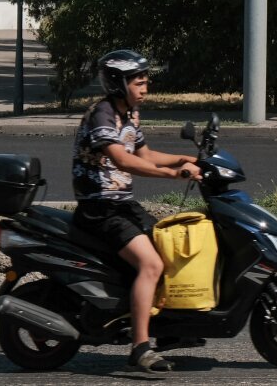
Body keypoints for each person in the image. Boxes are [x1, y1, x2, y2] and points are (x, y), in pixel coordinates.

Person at [71, 49, 202, 373]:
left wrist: (189, 159)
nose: (145, 90)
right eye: (139, 83)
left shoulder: (129, 114)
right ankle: (141, 348)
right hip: (100, 208)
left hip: (121, 204)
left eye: (146, 83)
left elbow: (147, 153)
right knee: (151, 263)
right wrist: (174, 174)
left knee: (167, 249)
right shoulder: (102, 114)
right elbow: (124, 160)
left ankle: (166, 329)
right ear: (119, 84)